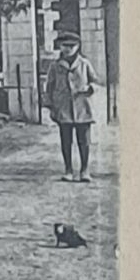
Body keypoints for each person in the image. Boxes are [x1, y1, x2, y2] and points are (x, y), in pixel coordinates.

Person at [44, 31, 99, 181]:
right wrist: (50, 106)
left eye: (71, 46)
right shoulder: (55, 66)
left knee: (84, 141)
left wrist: (90, 88)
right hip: (63, 107)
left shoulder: (84, 63)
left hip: (82, 107)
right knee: (66, 140)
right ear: (60, 47)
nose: (68, 49)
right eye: (64, 46)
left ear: (78, 47)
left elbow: (95, 81)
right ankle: (68, 170)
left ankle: (85, 170)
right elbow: (49, 86)